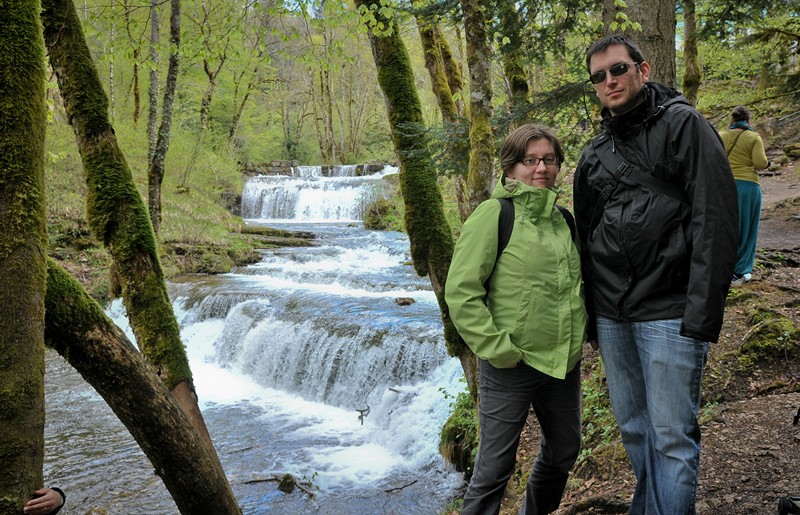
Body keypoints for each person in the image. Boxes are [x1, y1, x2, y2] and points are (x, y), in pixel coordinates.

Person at [573, 35, 738, 514]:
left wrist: (702, 312)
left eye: (618, 69)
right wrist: (590, 317)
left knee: (671, 437)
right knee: (635, 430)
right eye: (599, 76)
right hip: (612, 313)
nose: (610, 81)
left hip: (668, 308)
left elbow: (717, 218)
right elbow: (586, 236)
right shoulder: (594, 152)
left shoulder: (684, 125)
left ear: (643, 72)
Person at [445, 124, 587, 514]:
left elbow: (572, 286)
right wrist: (498, 349)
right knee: (493, 471)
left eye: (549, 159)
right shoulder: (494, 214)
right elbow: (461, 290)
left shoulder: (564, 219)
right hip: (511, 363)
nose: (541, 168)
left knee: (563, 452)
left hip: (562, 362)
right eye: (530, 160)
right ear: (511, 167)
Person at [719, 106, 770, 286]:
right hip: (748, 187)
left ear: (732, 119)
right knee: (747, 228)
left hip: (725, 186)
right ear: (748, 120)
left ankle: (722, 267)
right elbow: (760, 163)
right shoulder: (753, 137)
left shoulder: (721, 135)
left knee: (726, 227)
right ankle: (740, 271)